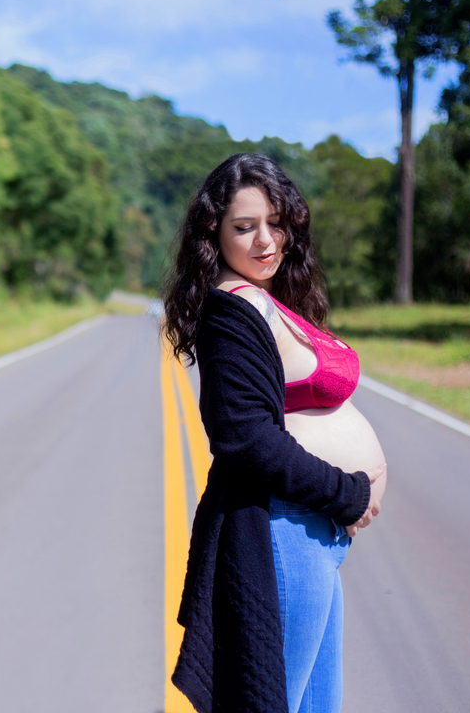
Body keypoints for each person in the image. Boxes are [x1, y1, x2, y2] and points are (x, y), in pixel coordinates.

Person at [162, 153, 386, 713]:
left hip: (314, 534)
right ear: (213, 233)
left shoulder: (270, 300)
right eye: (244, 227)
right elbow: (243, 438)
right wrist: (349, 494)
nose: (265, 240)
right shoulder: (230, 312)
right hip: (282, 531)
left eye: (276, 222)